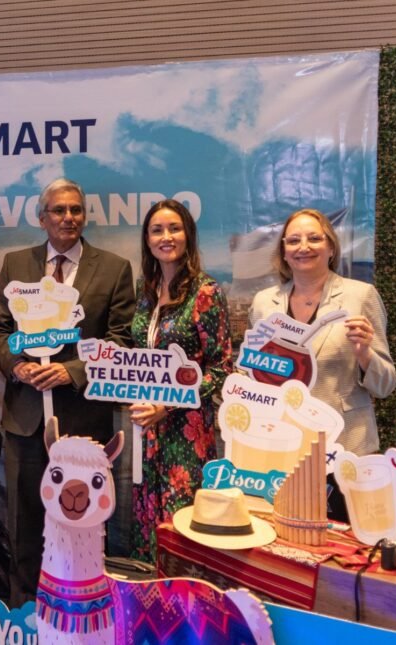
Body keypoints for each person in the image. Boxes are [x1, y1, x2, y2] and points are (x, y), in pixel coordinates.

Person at [0, 178, 136, 608]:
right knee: (24, 520)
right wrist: (16, 366)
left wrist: (71, 372)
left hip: (84, 422)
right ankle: (25, 613)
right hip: (26, 418)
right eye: (58, 210)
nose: (67, 218)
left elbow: (120, 340)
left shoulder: (113, 268)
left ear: (84, 216)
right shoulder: (16, 264)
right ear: (42, 217)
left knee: (81, 523)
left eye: (75, 210)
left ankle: (78, 611)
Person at [249, 208, 396, 518]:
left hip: (344, 449)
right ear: (284, 253)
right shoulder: (264, 302)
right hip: (282, 447)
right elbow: (255, 372)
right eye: (294, 241)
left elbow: (386, 385)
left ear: (330, 248)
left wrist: (364, 354)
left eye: (314, 238)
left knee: (341, 546)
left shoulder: (361, 296)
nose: (304, 247)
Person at [128, 199, 233, 563]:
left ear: (188, 234)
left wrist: (167, 404)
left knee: (182, 527)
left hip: (186, 433)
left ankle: (186, 609)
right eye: (157, 230)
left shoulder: (205, 292)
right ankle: (151, 608)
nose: (166, 237)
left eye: (174, 228)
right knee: (147, 522)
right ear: (147, 239)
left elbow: (222, 369)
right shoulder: (146, 289)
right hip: (147, 434)